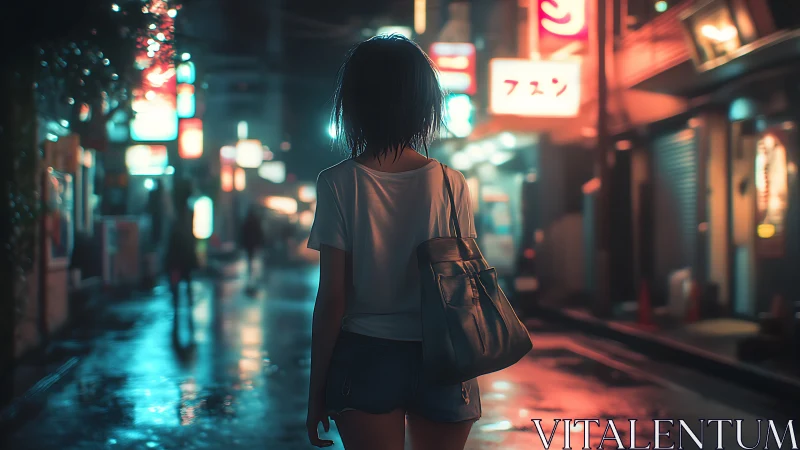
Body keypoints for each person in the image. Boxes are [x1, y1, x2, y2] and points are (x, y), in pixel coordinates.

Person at [305, 35, 480, 450]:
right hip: (445, 356)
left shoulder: (337, 182)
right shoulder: (451, 183)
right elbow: (463, 281)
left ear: (355, 103)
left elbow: (332, 299)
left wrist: (316, 395)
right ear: (424, 104)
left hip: (366, 356)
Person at [164, 191, 199, 335]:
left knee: (178, 283)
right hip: (184, 256)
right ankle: (186, 304)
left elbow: (171, 239)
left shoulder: (175, 219)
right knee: (186, 281)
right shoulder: (187, 216)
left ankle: (178, 304)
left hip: (178, 257)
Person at [240, 206, 265, 282]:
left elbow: (243, 233)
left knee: (250, 256)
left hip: (249, 243)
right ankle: (252, 270)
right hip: (253, 242)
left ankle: (250, 269)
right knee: (252, 256)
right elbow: (259, 233)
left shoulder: (247, 221)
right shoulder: (255, 222)